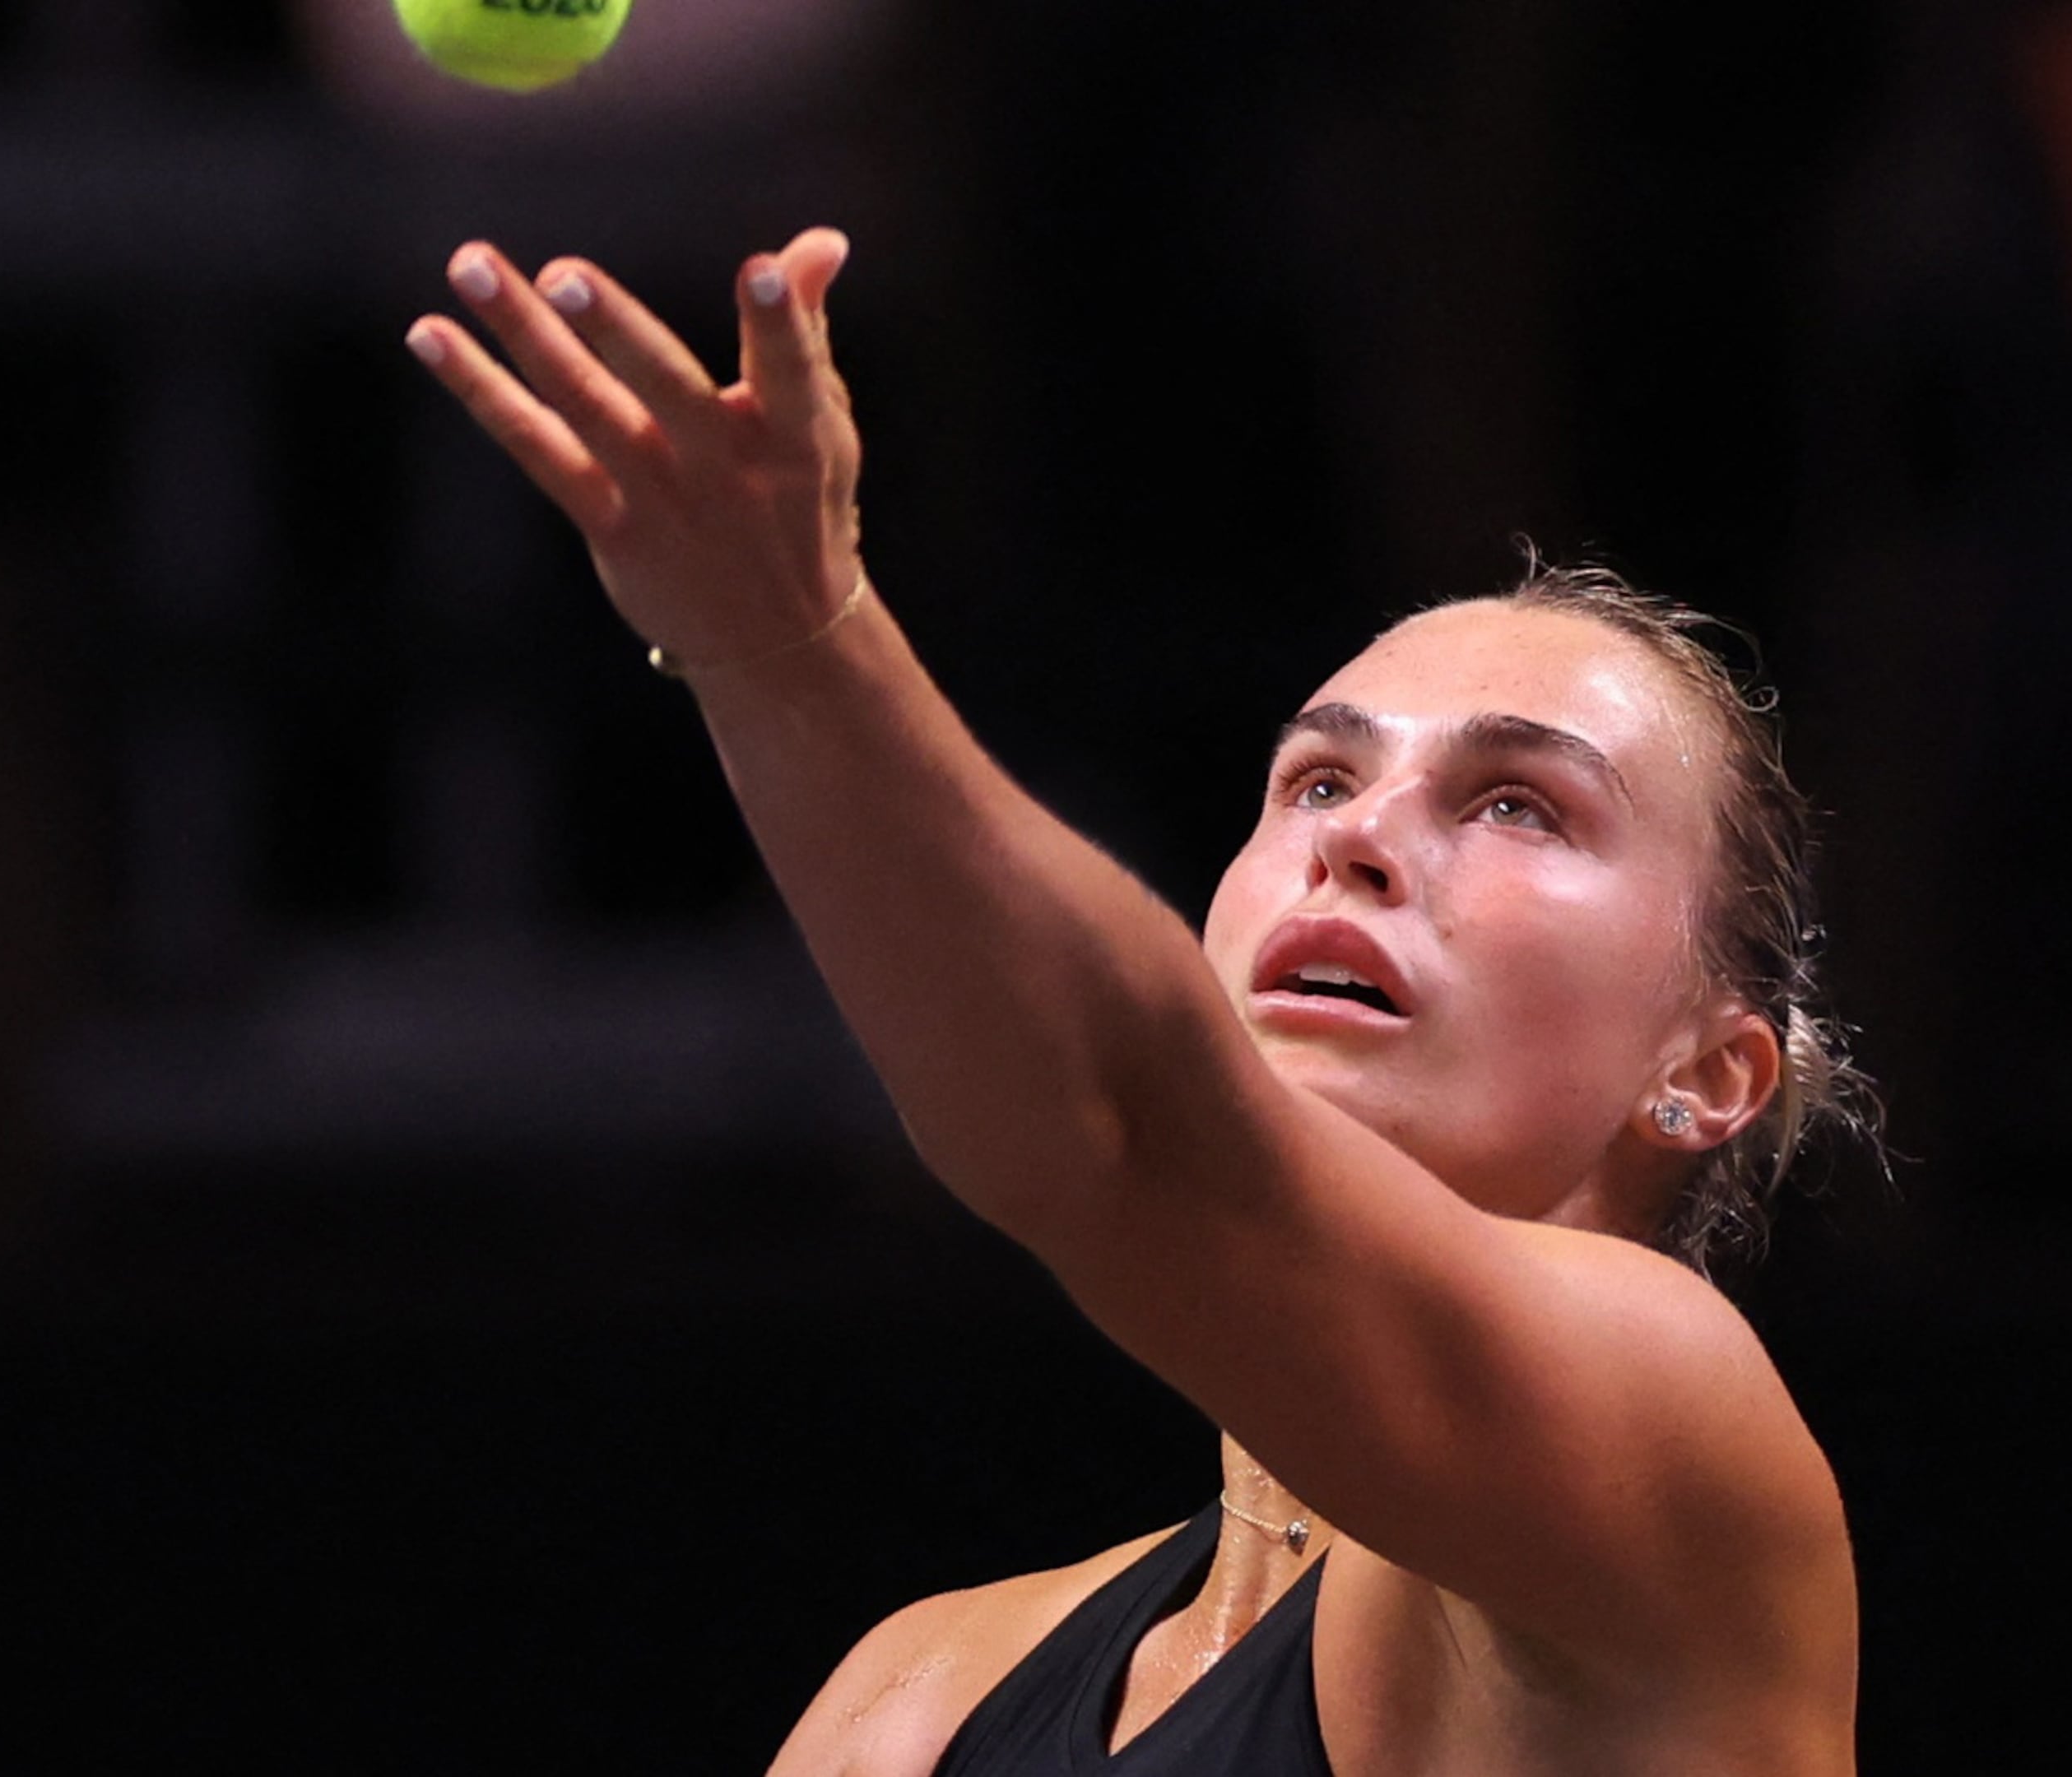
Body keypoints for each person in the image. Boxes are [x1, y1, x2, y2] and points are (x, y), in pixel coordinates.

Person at [403, 229, 1865, 1772]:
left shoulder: (1678, 1451)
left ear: (1708, 1071)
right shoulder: (917, 1694)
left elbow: (1127, 1120)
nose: (1358, 838)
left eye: (1518, 804)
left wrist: (791, 640)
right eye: (1317, 780)